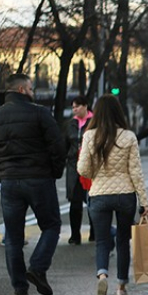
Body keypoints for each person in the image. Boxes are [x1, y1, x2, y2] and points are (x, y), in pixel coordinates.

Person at [0, 73, 66, 295]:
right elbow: (57, 145)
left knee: (13, 236)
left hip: (9, 182)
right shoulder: (40, 113)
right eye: (30, 88)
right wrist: (54, 172)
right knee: (51, 225)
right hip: (39, 179)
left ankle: (19, 287)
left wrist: (0, 175)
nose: (33, 92)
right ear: (21, 90)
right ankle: (37, 268)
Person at [77, 95, 148, 295]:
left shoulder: (89, 136)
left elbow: (82, 169)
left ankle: (102, 275)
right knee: (122, 240)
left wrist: (95, 173)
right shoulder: (128, 137)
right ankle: (121, 289)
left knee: (101, 241)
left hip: (98, 194)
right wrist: (144, 201)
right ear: (119, 112)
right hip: (125, 195)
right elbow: (136, 172)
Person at [64, 96, 95, 244]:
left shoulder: (95, 122)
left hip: (90, 166)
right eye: (73, 107)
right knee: (75, 202)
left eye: (77, 106)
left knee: (92, 200)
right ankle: (75, 234)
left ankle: (94, 231)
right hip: (73, 166)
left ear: (85, 106)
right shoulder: (71, 124)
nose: (75, 110)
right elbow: (65, 144)